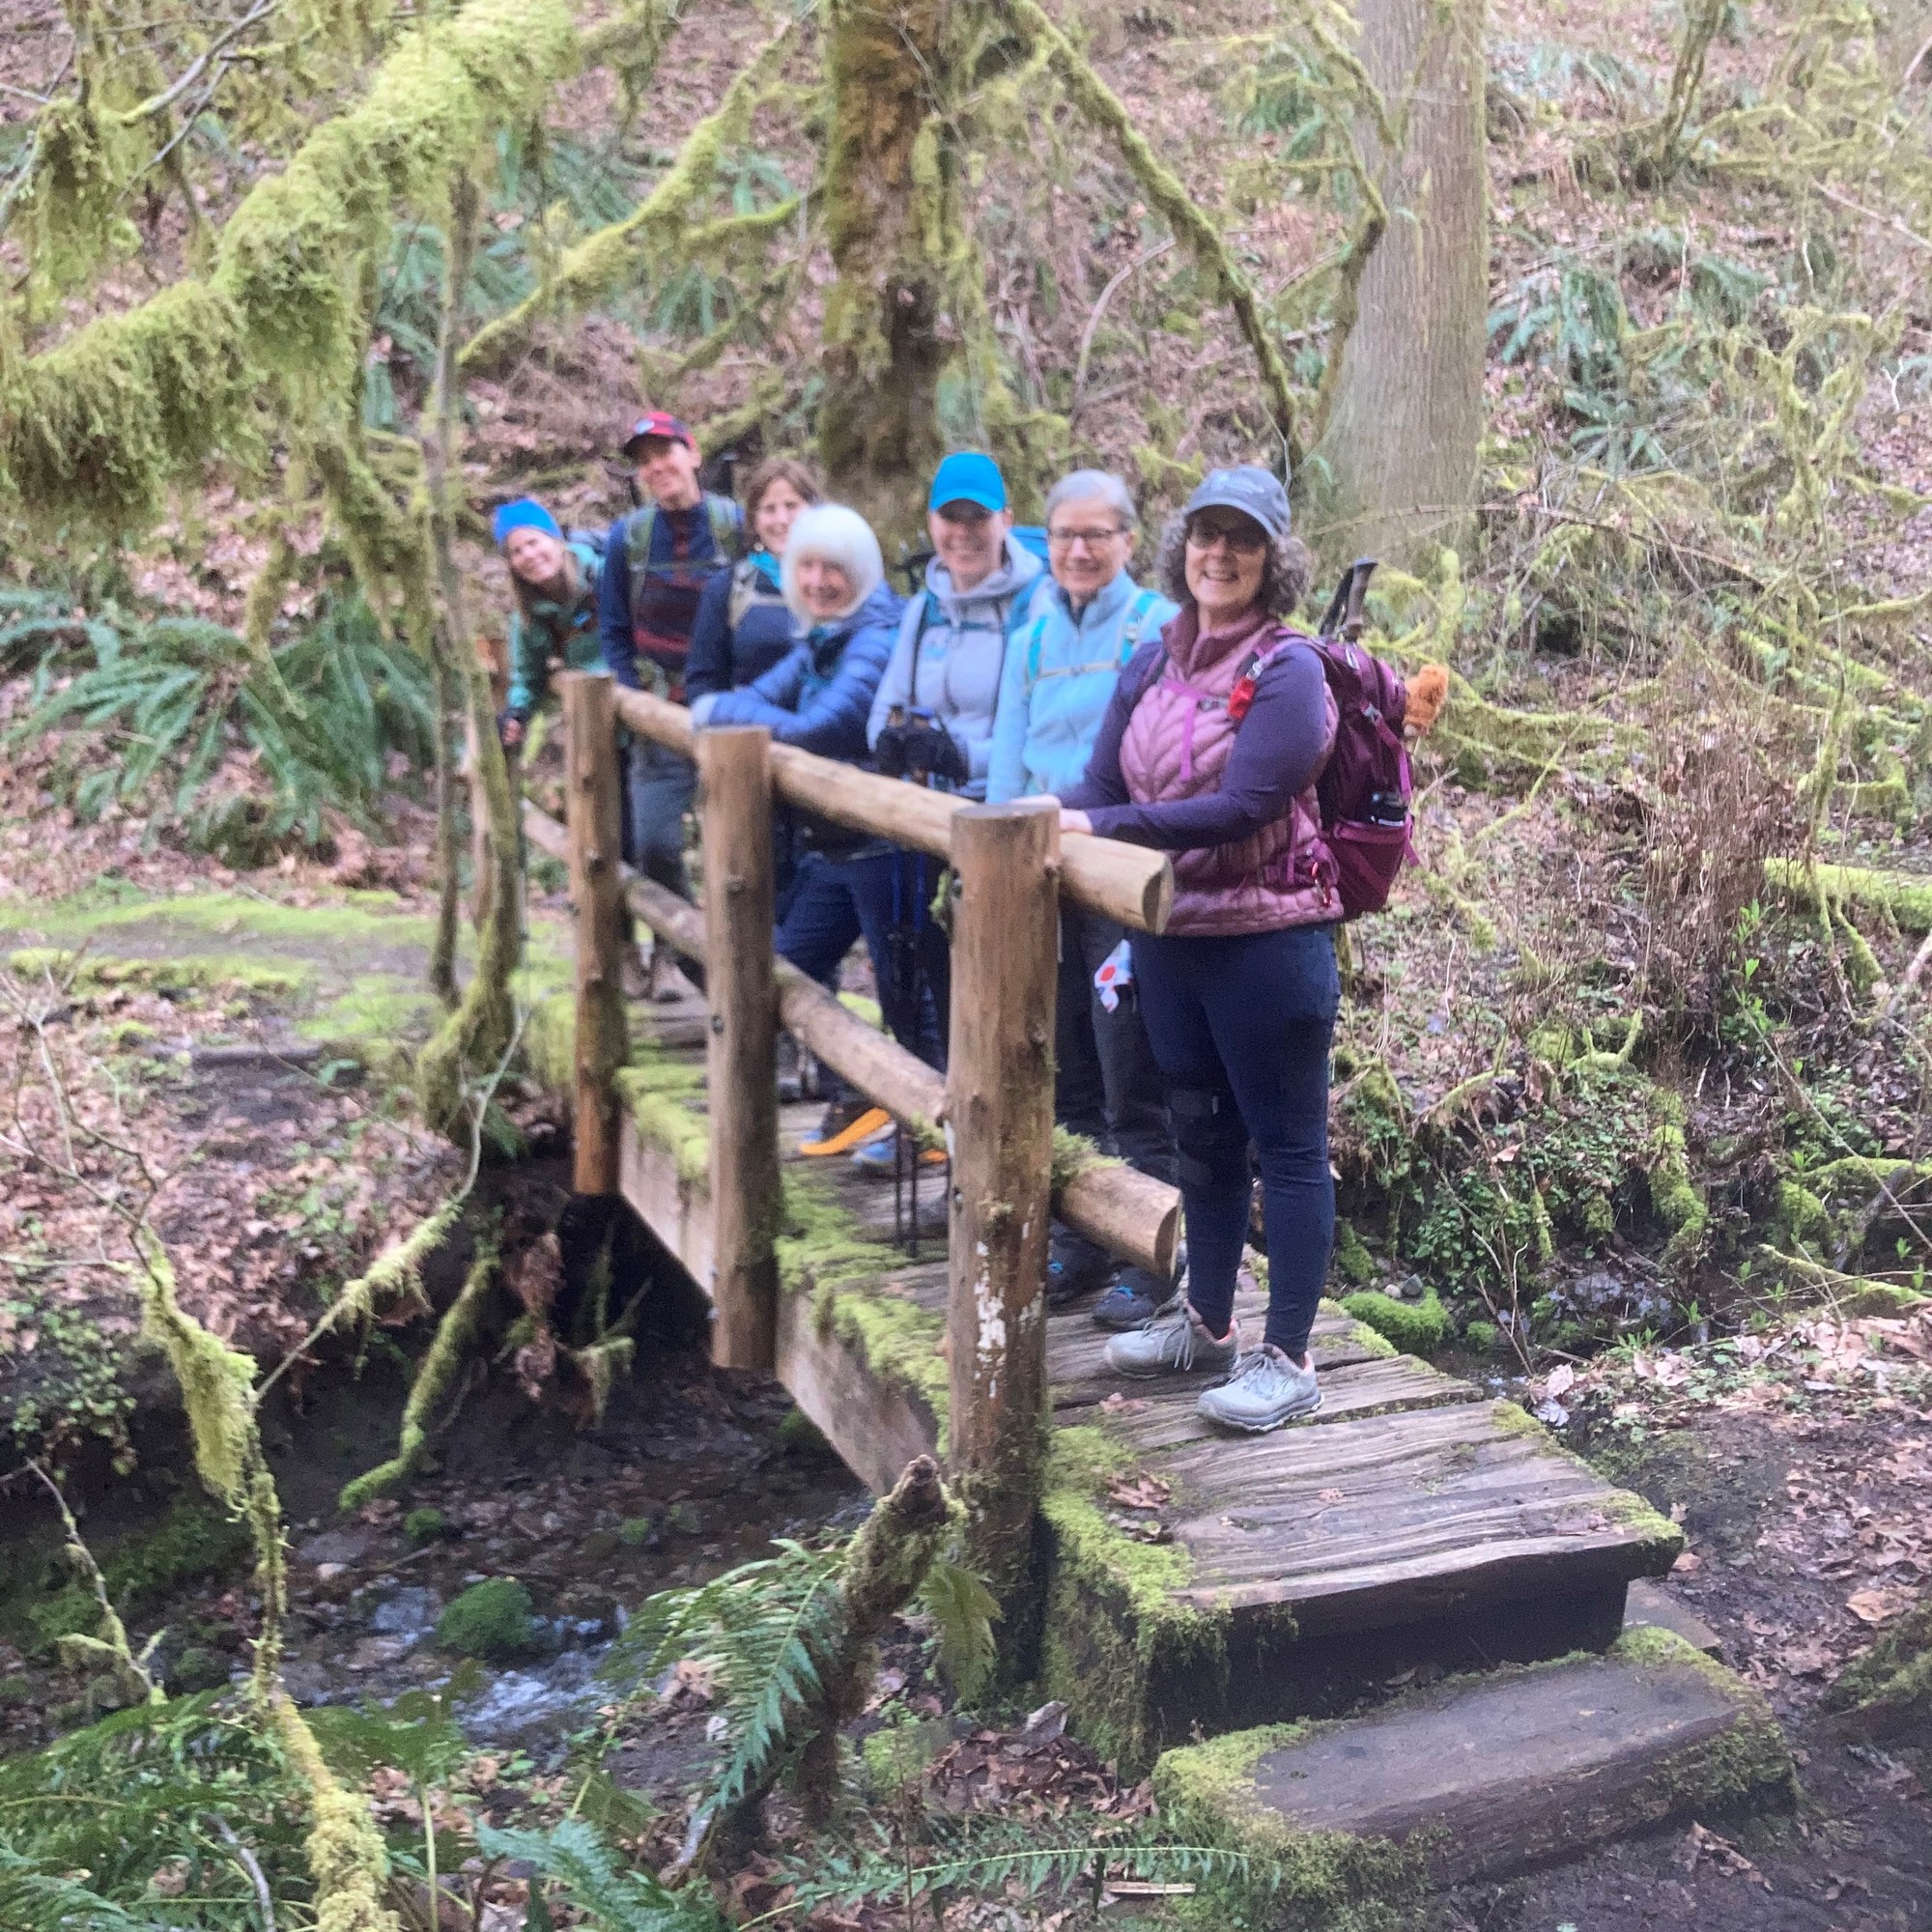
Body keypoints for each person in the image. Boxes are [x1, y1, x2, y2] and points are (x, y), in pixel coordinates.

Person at [1061, 466, 1340, 1435]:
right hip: (1171, 933)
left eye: (1241, 540)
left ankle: (1290, 1357)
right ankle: (1208, 1323)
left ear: (1271, 560)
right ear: (1181, 549)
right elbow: (1096, 780)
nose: (1217, 554)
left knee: (1289, 1145)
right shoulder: (1152, 658)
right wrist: (1045, 815)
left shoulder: (1289, 667)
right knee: (1201, 1137)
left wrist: (1098, 823)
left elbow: (1246, 805)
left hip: (1268, 940)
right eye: (1203, 536)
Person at [987, 469, 1179, 1321]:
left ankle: (1150, 1250)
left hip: (1120, 880)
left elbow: (1170, 756)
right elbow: (1006, 758)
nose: (1077, 550)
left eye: (1096, 534)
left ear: (1130, 541)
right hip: (1035, 879)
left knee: (1127, 1069)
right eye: (1063, 534)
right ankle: (1080, 1238)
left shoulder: (1157, 628)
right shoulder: (1030, 638)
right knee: (1058, 1065)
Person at [689, 506, 916, 1155]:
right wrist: (740, 710)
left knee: (906, 998)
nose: (818, 581)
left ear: (862, 573)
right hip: (834, 847)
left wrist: (734, 712)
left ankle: (925, 1130)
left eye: (834, 569)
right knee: (786, 968)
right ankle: (854, 1096)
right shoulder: (822, 635)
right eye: (806, 567)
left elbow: (822, 726)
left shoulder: (875, 635)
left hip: (882, 846)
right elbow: (758, 696)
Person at [847, 451, 1051, 1172]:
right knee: (922, 974)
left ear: (1005, 520)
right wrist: (898, 739)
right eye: (949, 517)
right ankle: (928, 1127)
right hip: (927, 822)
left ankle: (987, 1153)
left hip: (999, 825)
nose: (962, 533)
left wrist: (956, 750)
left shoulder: (1039, 603)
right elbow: (882, 712)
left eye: (976, 517)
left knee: (987, 995)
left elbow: (1036, 721)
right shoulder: (924, 605)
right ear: (931, 521)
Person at [597, 412, 744, 903]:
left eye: (666, 453)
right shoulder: (629, 539)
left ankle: (732, 965)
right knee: (655, 845)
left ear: (693, 453)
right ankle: (687, 957)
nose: (657, 467)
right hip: (659, 712)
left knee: (741, 851)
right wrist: (633, 696)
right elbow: (614, 630)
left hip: (729, 709)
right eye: (645, 461)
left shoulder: (736, 528)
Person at [686, 455, 821, 704]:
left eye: (792, 506)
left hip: (828, 733)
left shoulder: (839, 583)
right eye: (769, 509)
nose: (782, 520)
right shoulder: (728, 588)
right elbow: (703, 681)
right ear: (754, 521)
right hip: (749, 733)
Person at [494, 498, 604, 749]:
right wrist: (516, 713)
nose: (529, 555)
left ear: (556, 540)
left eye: (533, 542)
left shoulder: (605, 576)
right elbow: (527, 677)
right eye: (516, 551)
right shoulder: (526, 618)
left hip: (638, 701)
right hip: (591, 720)